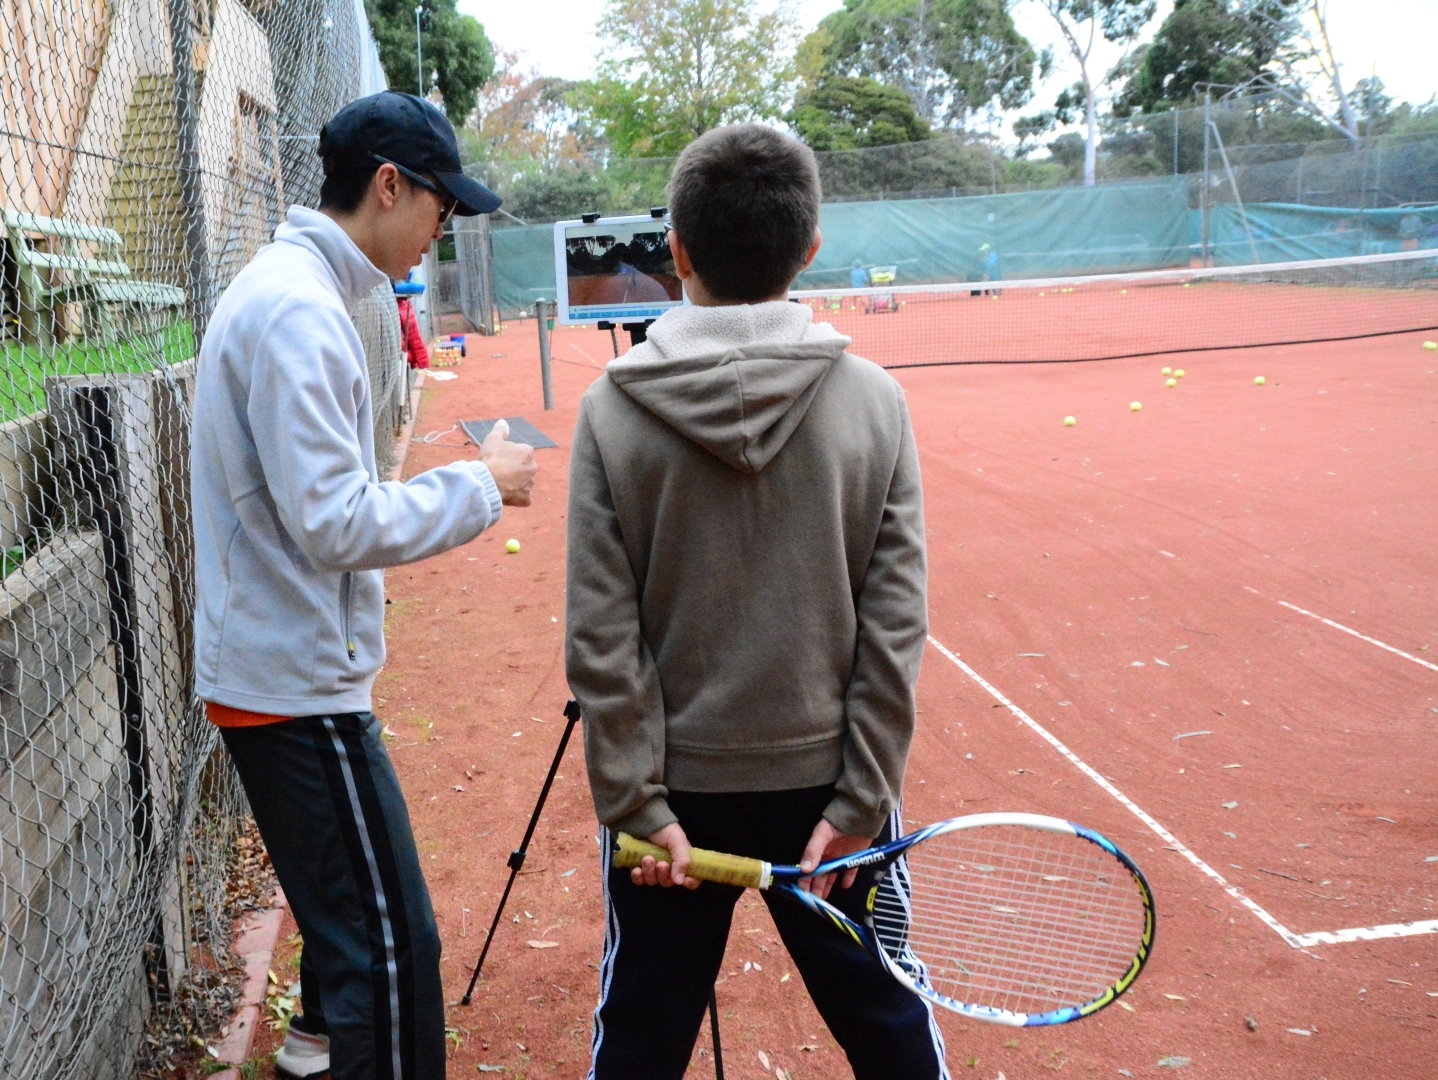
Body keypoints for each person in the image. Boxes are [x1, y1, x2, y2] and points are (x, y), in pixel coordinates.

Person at [564, 124, 942, 1078]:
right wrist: (862, 799)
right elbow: (896, 626)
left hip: (670, 806)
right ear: (810, 248)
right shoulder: (875, 402)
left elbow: (601, 636)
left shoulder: (611, 411)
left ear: (676, 252)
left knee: (641, 1038)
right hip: (832, 795)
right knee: (891, 1027)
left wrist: (635, 803)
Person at [190, 90, 538, 1080]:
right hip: (295, 687)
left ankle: (310, 1056)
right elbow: (334, 521)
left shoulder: (299, 291)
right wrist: (480, 485)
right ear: (390, 185)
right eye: (442, 206)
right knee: (394, 952)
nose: (444, 227)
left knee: (354, 932)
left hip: (281, 671)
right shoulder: (300, 310)